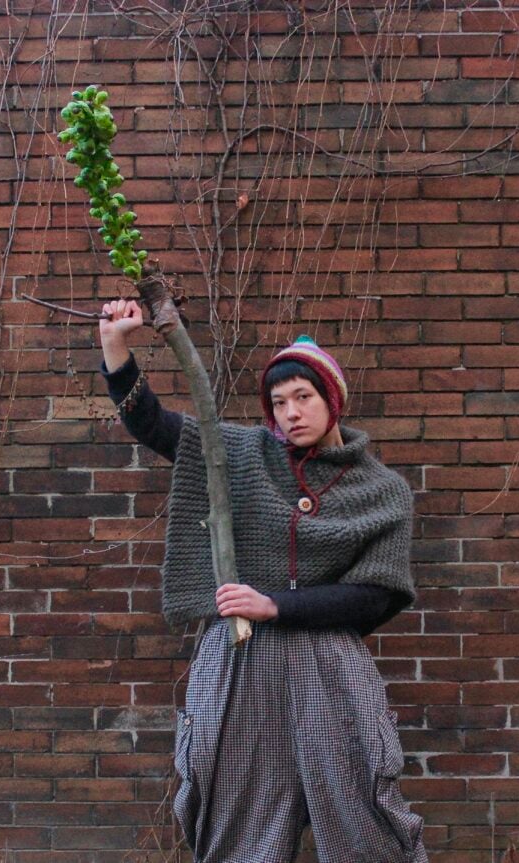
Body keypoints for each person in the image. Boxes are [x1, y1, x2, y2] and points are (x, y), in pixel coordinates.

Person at [99, 298, 429, 863]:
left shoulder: (383, 490)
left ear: (333, 400)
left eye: (303, 396)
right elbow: (152, 424)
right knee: (238, 822)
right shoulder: (239, 453)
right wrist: (116, 347)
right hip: (241, 663)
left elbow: (375, 596)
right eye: (278, 402)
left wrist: (274, 604)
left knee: (364, 816)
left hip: (331, 670)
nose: (290, 413)